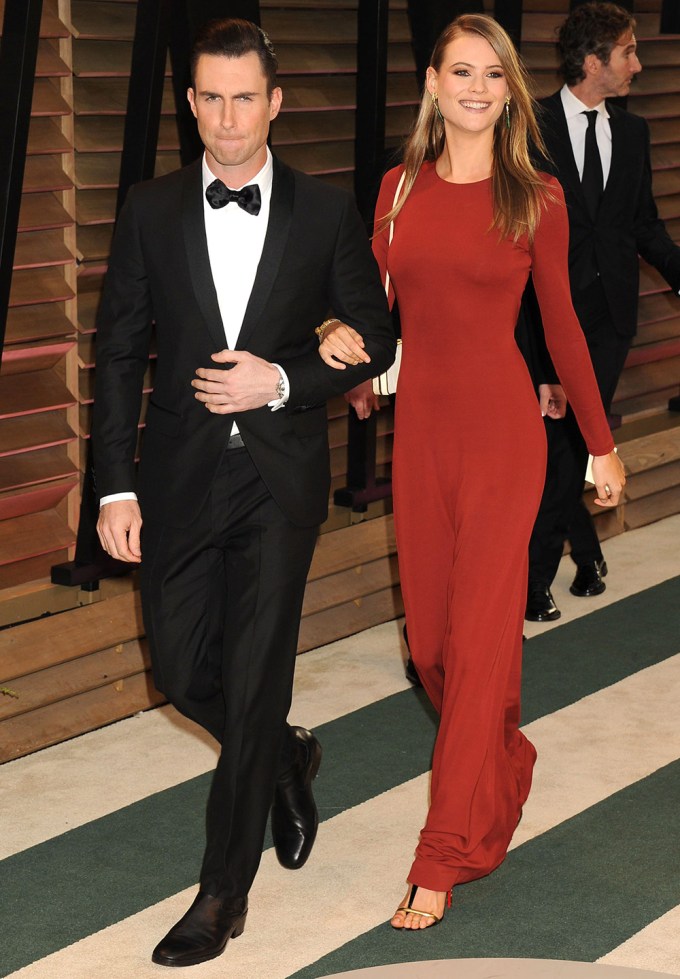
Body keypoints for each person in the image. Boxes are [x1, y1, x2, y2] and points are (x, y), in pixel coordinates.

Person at [92, 18, 395, 968]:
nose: (227, 119)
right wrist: (111, 487)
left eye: (244, 98)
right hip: (177, 478)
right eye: (209, 98)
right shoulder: (149, 206)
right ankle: (283, 752)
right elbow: (116, 352)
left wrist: (284, 378)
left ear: (275, 102)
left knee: (256, 671)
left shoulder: (323, 209)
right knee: (184, 675)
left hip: (277, 478)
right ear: (191, 104)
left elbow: (377, 335)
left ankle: (223, 893)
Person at [319, 13, 625, 929]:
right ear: (433, 83)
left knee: (485, 639)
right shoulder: (395, 191)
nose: (478, 87)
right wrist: (350, 356)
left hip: (503, 439)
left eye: (494, 73)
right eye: (462, 71)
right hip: (424, 440)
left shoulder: (534, 195)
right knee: (434, 651)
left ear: (510, 90)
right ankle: (503, 758)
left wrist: (602, 442)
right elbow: (373, 310)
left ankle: (441, 853)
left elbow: (563, 325)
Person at [523, 2, 680, 622]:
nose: (638, 65)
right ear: (593, 62)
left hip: (611, 317)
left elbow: (643, 225)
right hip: (545, 315)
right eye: (628, 52)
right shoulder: (529, 127)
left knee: (572, 443)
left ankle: (550, 570)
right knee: (556, 446)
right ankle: (570, 558)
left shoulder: (634, 132)